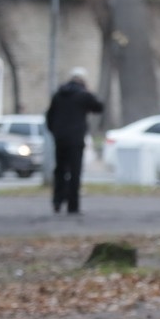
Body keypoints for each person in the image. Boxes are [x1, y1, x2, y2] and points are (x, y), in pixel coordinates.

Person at [46, 67, 104, 215]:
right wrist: (90, 92)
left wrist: (56, 133)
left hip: (60, 139)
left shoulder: (58, 94)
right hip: (76, 139)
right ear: (83, 80)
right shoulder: (83, 95)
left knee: (60, 170)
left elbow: (49, 117)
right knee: (75, 172)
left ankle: (57, 201)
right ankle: (73, 205)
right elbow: (99, 107)